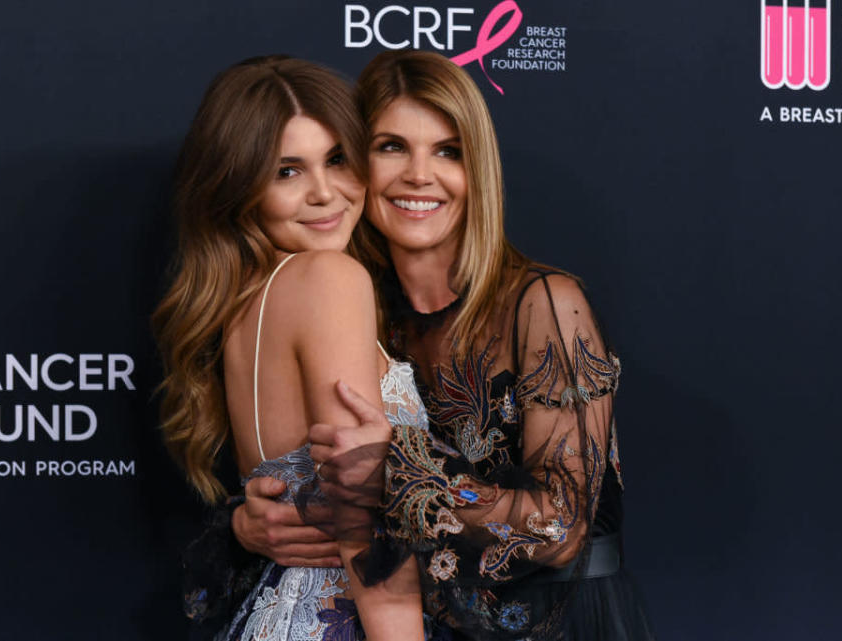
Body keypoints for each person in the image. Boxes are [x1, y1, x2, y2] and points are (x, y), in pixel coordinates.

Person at [235, 50, 655, 641]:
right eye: (391, 147)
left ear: (477, 168)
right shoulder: (356, 309)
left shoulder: (546, 305)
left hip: (553, 626)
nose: (418, 176)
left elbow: (562, 531)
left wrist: (396, 468)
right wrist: (250, 523)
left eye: (447, 151)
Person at [152, 55, 429, 641]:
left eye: (337, 159)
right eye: (287, 171)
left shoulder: (246, 303)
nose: (325, 193)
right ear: (238, 185)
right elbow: (363, 514)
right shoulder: (328, 278)